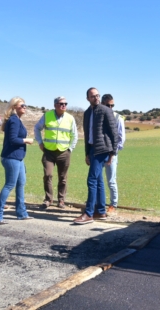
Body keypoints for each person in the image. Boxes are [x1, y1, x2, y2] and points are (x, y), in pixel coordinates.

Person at [74, 87, 118, 225]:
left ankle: (88, 214)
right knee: (98, 180)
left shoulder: (105, 110)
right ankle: (100, 211)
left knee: (91, 180)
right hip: (92, 150)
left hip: (102, 150)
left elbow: (114, 133)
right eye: (93, 96)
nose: (96, 98)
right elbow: (88, 135)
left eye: (97, 95)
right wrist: (87, 153)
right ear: (88, 98)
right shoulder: (87, 113)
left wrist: (113, 153)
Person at [0, 97, 34, 224]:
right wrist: (27, 140)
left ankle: (21, 213)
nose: (24, 107)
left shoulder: (17, 120)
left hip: (18, 158)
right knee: (10, 185)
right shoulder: (14, 120)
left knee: (21, 183)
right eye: (22, 106)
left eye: (25, 105)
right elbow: (13, 139)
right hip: (11, 157)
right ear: (14, 107)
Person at [34, 96, 78, 209]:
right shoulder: (47, 115)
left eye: (65, 104)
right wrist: (40, 142)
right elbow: (37, 128)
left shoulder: (70, 118)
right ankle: (48, 199)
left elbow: (74, 135)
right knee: (48, 175)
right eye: (61, 103)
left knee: (63, 178)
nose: (64, 105)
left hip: (64, 152)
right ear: (55, 105)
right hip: (48, 151)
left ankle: (61, 200)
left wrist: (70, 149)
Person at [101, 94, 126, 214]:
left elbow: (121, 138)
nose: (110, 108)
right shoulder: (98, 116)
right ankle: (98, 203)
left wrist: (114, 153)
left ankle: (113, 204)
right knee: (97, 179)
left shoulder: (118, 118)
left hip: (111, 153)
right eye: (107, 105)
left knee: (111, 180)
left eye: (112, 105)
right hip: (99, 152)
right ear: (102, 104)